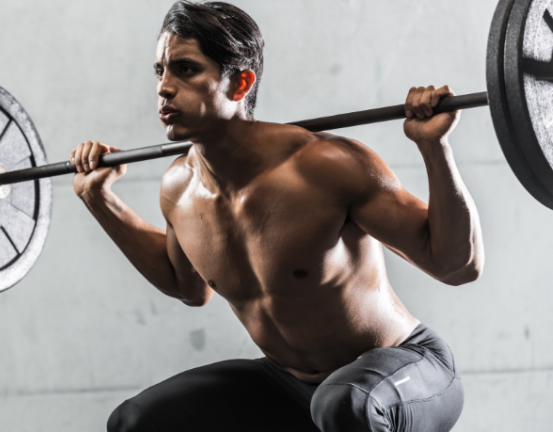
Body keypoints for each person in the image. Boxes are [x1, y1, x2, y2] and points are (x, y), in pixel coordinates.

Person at [69, 2, 483, 431]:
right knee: (137, 420)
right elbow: (187, 286)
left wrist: (435, 148)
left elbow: (458, 265)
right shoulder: (179, 190)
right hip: (293, 385)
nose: (164, 88)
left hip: (406, 370)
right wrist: (100, 200)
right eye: (160, 71)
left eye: (186, 69)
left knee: (344, 404)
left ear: (240, 83)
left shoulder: (324, 166)